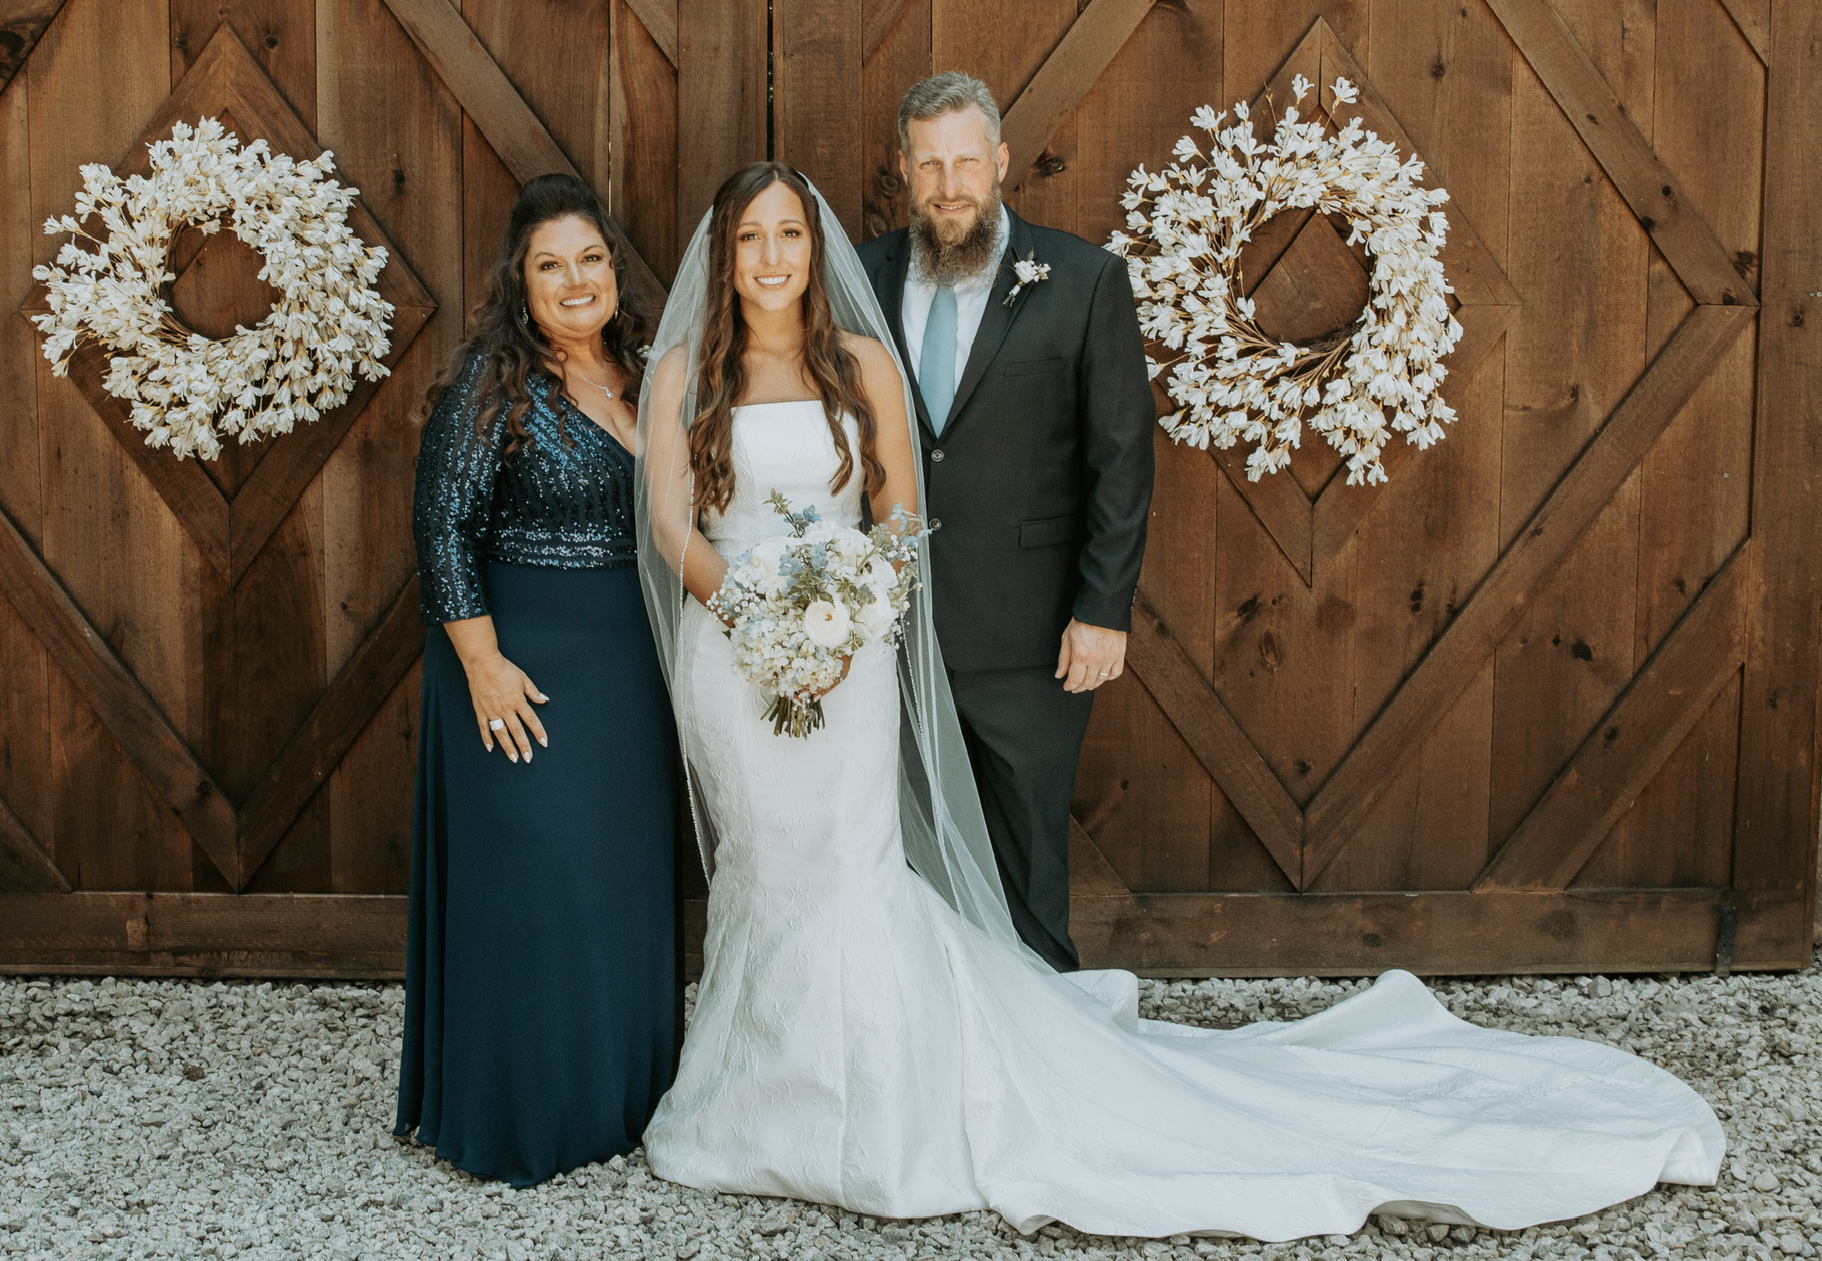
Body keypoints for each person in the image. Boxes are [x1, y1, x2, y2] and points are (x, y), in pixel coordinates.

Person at [631, 161, 1722, 1240]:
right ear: (723, 256)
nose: (771, 258)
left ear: (812, 252)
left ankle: (867, 1107)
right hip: (733, 658)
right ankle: (755, 1100)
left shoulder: (859, 363)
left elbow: (898, 520)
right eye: (749, 240)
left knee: (846, 866)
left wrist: (842, 631)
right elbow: (675, 525)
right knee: (763, 868)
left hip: (850, 657)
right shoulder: (683, 372)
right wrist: (759, 620)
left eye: (788, 236)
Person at [396, 173, 682, 1187]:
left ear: (616, 271)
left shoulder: (650, 371)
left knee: (619, 879)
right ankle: (527, 1113)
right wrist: (482, 668)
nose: (575, 281)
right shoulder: (492, 381)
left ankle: (626, 1099)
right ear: (520, 284)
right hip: (521, 662)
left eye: (591, 260)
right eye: (550, 265)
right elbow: (443, 530)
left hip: (630, 666)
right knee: (536, 880)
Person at [855, 71, 1155, 971]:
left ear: (1001, 164)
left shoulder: (1084, 280)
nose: (950, 187)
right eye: (930, 165)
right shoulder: (855, 281)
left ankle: (1051, 1062)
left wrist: (1103, 609)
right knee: (900, 866)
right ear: (902, 170)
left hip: (1032, 635)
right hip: (888, 633)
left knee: (1025, 871)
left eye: (967, 164)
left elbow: (1121, 461)